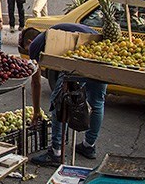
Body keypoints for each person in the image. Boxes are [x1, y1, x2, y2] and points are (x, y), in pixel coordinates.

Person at [23, 22, 108, 166]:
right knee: (97, 101)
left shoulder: (36, 44)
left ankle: (56, 152)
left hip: (77, 59)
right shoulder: (54, 32)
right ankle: (89, 146)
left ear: (30, 42)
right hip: (100, 51)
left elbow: (36, 82)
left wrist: (36, 111)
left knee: (59, 101)